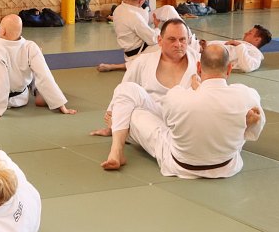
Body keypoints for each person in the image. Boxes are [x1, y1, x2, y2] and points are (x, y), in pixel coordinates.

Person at [100, 44, 265, 177]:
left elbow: (167, 124)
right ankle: (239, 122)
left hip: (180, 164)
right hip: (226, 165)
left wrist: (196, 92)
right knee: (243, 120)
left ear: (198, 67)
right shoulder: (247, 95)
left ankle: (118, 134)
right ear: (229, 69)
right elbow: (254, 134)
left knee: (133, 111)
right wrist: (242, 122)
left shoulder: (177, 96)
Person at [91, 18, 197, 136]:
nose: (178, 44)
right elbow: (123, 92)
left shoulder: (199, 62)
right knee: (130, 97)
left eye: (182, 39)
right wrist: (113, 123)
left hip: (186, 120)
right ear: (160, 40)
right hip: (152, 120)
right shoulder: (143, 62)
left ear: (188, 40)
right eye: (172, 39)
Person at [96, 0, 158, 72]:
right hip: (139, 52)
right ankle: (117, 66)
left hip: (128, 53)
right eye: (144, 0)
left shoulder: (118, 9)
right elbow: (152, 40)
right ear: (141, 1)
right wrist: (156, 27)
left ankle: (129, 65)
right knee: (166, 46)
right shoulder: (134, 16)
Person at [200, 25, 272, 73]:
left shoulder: (255, 53)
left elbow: (248, 67)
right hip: (201, 47)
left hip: (202, 56)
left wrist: (240, 46)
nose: (245, 33)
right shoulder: (242, 44)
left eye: (250, 33)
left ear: (257, 39)